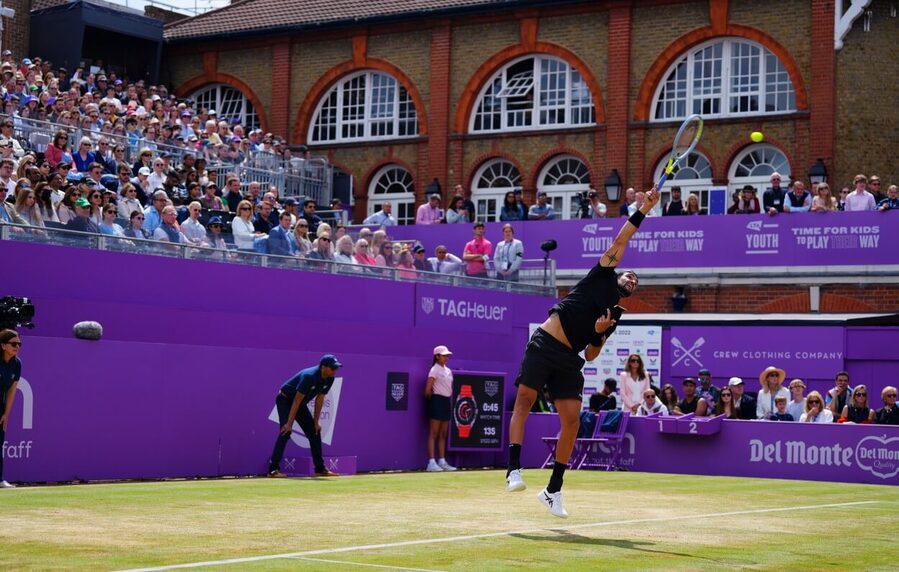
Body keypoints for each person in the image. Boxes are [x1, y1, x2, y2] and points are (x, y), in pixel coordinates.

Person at [504, 186, 659, 518]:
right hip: (545, 343)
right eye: (629, 275)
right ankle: (513, 469)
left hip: (569, 359)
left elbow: (590, 355)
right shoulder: (602, 273)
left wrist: (601, 335)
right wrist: (644, 209)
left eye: (636, 282)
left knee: (572, 422)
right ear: (618, 273)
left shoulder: (613, 315)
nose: (631, 279)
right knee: (524, 401)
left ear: (631, 293)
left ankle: (553, 490)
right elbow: (623, 237)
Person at [267, 354, 342, 478]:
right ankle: (273, 469)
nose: (336, 370)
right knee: (285, 431)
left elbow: (320, 399)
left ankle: (320, 468)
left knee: (315, 431)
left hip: (299, 404)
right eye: (333, 368)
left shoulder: (330, 378)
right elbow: (296, 400)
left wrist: (316, 422)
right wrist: (289, 424)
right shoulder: (309, 376)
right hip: (285, 400)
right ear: (323, 367)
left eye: (336, 368)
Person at [424, 345, 457, 472]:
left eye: (447, 355)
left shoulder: (448, 371)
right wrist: (434, 401)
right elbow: (427, 390)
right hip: (436, 401)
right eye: (443, 355)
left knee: (443, 434)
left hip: (446, 402)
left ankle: (442, 461)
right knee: (434, 433)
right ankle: (431, 463)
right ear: (437, 356)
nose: (446, 357)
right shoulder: (434, 370)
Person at [0, 329, 22, 488]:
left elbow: (12, 390)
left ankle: (0, 480)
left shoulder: (17, 363)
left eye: (19, 344)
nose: (17, 347)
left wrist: (6, 414)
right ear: (2, 345)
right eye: (13, 344)